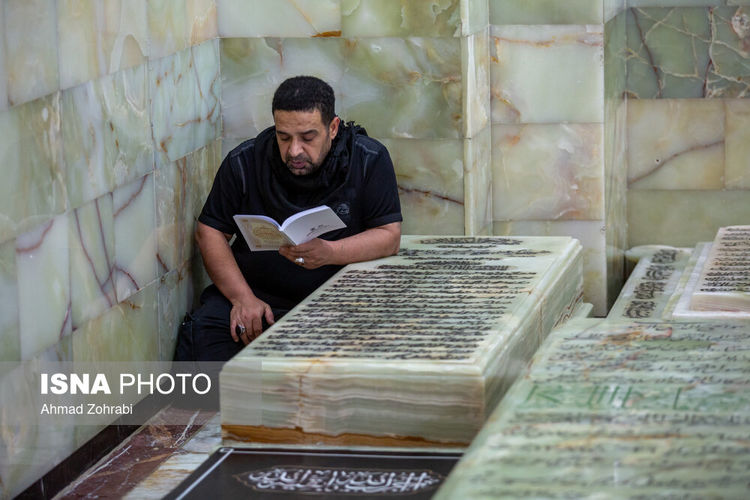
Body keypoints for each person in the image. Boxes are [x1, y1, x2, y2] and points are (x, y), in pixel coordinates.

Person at [174, 76, 403, 362]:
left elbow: (389, 235)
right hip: (257, 296)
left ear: (333, 128)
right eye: (284, 137)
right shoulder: (244, 161)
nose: (294, 150)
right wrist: (242, 298)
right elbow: (210, 231)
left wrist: (330, 252)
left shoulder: (368, 158)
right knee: (202, 341)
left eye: (308, 138)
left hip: (338, 302)